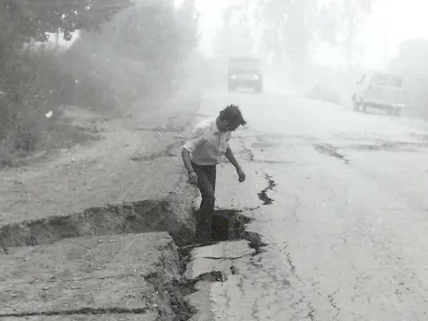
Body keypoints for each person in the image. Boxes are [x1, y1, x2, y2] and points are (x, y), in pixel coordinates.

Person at [182, 104, 247, 242]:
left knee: (209, 200)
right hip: (197, 166)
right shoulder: (203, 129)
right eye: (231, 128)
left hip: (211, 167)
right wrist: (191, 172)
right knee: (209, 197)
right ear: (224, 121)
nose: (232, 131)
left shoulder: (226, 131)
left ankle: (206, 231)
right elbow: (185, 151)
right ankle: (200, 234)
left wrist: (238, 168)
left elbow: (227, 148)